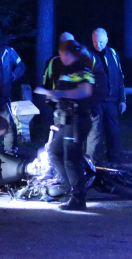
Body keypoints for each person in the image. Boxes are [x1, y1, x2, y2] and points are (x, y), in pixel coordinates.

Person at [35, 39, 95, 211]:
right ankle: (69, 187)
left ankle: (78, 198)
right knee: (55, 152)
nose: (61, 57)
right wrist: (53, 95)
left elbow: (85, 91)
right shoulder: (68, 70)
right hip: (66, 120)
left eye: (62, 54)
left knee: (71, 158)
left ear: (68, 53)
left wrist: (59, 93)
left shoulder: (81, 69)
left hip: (77, 119)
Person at [86, 28, 126, 167]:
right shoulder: (88, 55)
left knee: (114, 133)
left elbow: (119, 77)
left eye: (101, 42)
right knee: (95, 134)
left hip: (111, 101)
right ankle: (92, 164)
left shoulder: (113, 54)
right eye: (95, 41)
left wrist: (122, 99)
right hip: (95, 102)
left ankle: (115, 163)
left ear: (107, 40)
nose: (98, 44)